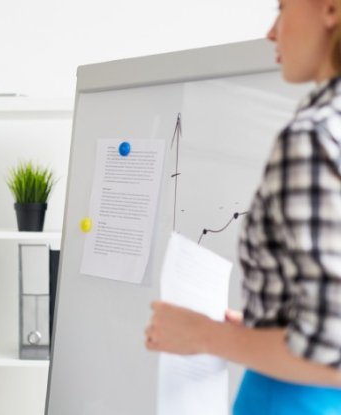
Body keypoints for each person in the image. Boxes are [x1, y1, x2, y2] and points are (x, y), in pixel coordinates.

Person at [145, 0, 341, 413]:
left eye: (283, 8)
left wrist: (203, 336)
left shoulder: (313, 137)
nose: (272, 31)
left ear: (329, 10)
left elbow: (330, 350)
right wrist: (262, 324)